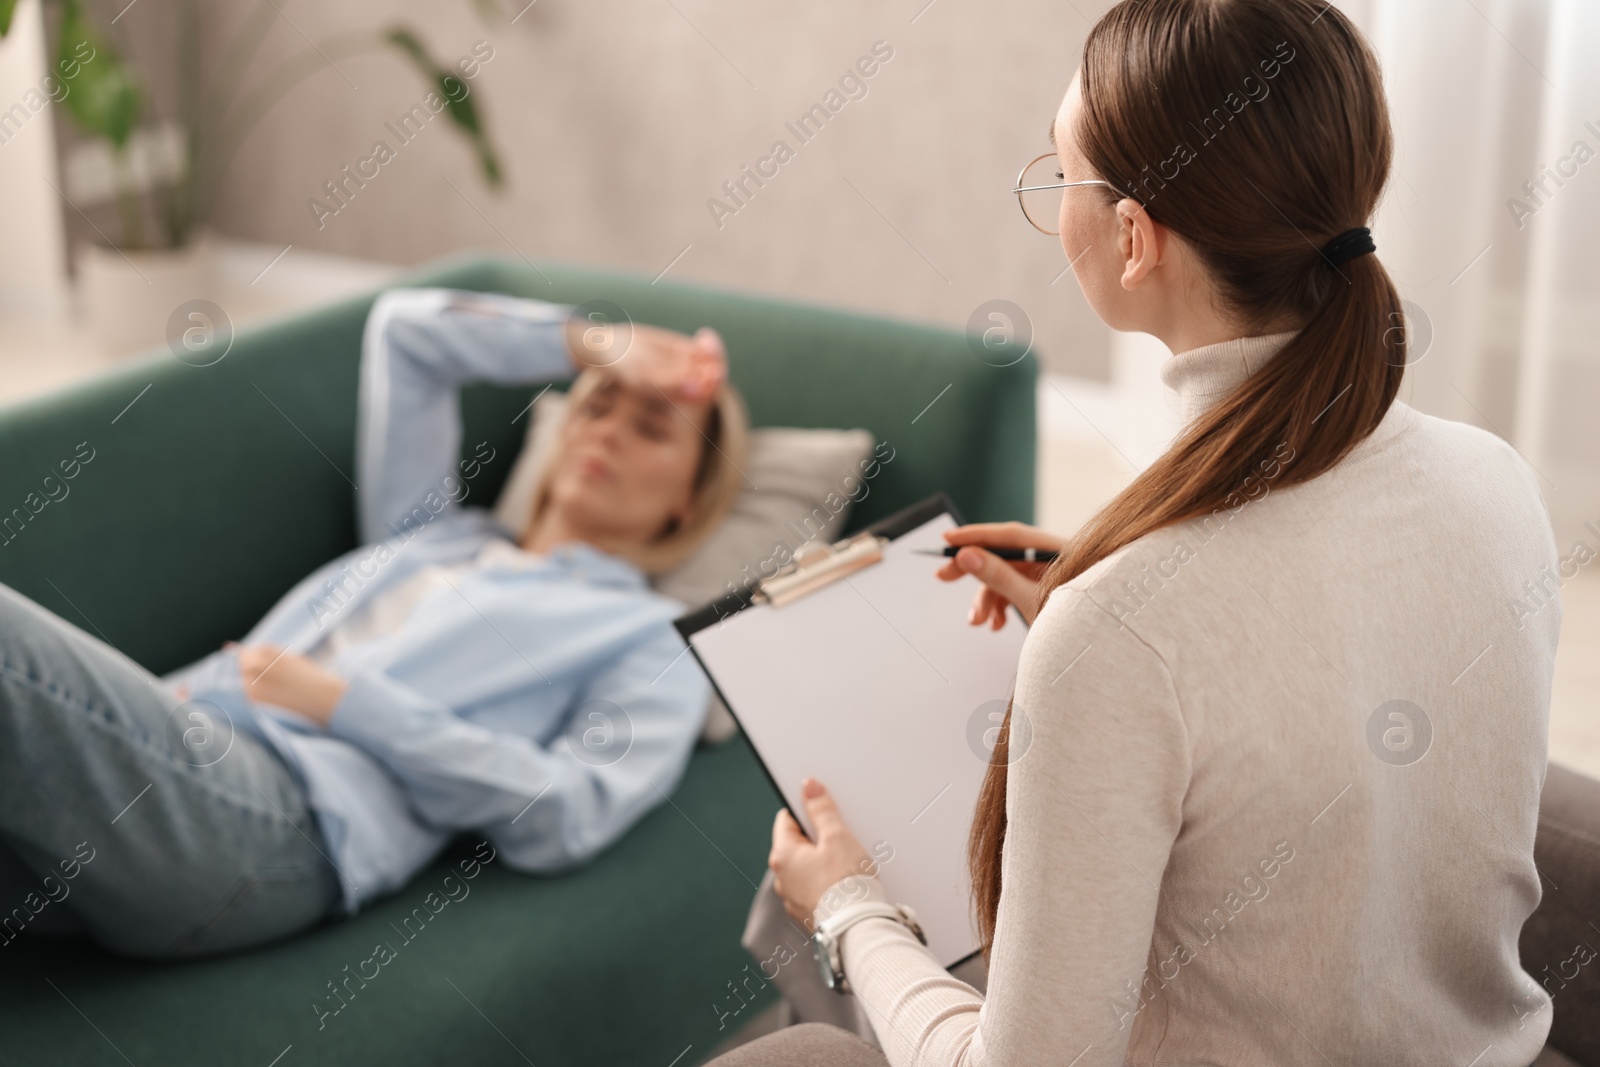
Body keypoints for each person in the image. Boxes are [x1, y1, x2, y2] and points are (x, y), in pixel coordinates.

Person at [715, 1, 1561, 1064]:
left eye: (1058, 177)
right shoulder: (1499, 481)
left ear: (1129, 237)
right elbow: (1323, 628)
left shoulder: (1119, 631)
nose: (1050, 204)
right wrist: (1120, 591)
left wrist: (848, 907)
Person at [0, 287, 748, 958]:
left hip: (285, 823)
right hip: (170, 736)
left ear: (690, 495)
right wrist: (597, 343)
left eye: (651, 425)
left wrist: (342, 702)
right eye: (594, 404)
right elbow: (407, 332)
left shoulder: (651, 633)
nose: (608, 430)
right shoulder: (433, 531)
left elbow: (566, 812)